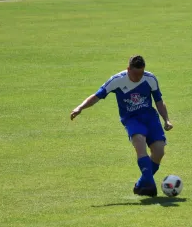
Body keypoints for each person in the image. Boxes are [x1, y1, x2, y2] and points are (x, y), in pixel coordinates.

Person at [70, 55, 173, 197]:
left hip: (150, 118)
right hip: (132, 119)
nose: (138, 77)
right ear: (128, 69)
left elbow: (159, 101)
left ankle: (141, 183)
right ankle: (150, 186)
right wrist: (79, 108)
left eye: (141, 74)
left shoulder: (150, 79)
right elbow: (96, 96)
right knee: (140, 146)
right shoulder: (117, 80)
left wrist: (166, 119)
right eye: (135, 74)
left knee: (159, 151)